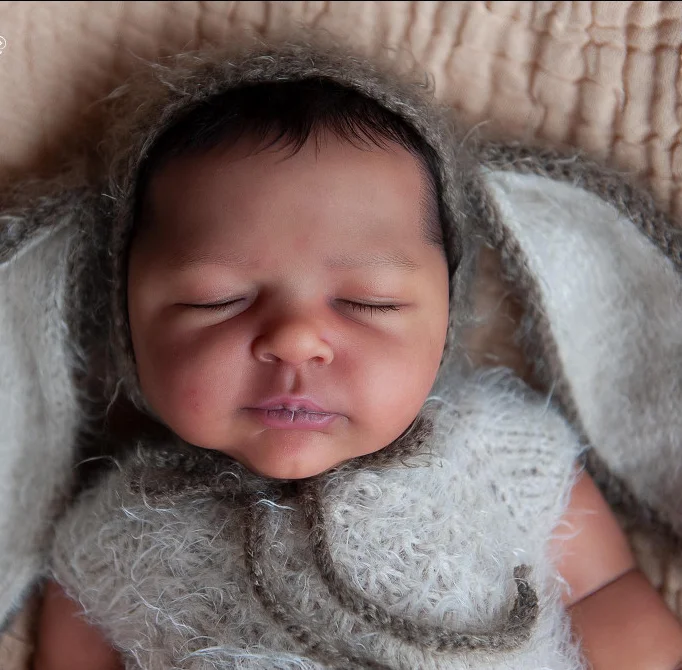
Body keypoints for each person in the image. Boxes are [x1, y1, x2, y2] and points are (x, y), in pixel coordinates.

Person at [28, 44, 682, 670]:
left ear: (446, 320)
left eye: (369, 302)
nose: (295, 339)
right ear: (128, 321)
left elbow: (606, 596)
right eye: (217, 300)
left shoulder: (498, 453)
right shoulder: (117, 533)